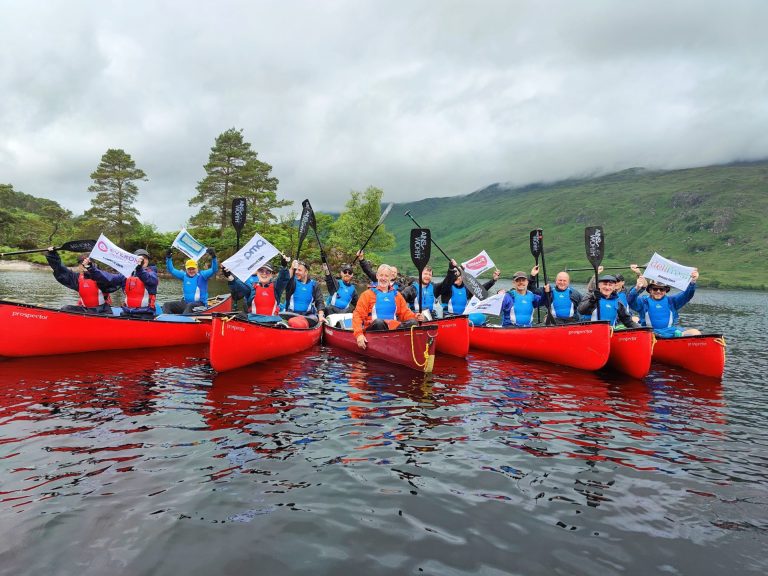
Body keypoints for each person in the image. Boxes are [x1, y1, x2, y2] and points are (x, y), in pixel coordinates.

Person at [353, 264, 425, 349]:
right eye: (381, 275)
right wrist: (359, 335)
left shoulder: (397, 295)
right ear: (377, 276)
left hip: (393, 330)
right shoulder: (367, 295)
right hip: (374, 328)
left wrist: (416, 316)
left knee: (413, 322)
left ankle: (401, 347)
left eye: (386, 276)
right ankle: (384, 348)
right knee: (379, 322)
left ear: (391, 277)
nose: (383, 278)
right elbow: (357, 315)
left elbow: (405, 313)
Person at [627, 270, 701, 337]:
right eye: (655, 289)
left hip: (670, 332)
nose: (658, 291)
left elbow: (687, 295)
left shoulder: (672, 301)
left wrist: (692, 281)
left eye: (661, 289)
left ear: (665, 291)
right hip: (650, 334)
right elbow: (630, 301)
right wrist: (637, 288)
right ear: (650, 290)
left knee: (695, 332)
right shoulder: (644, 302)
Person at [87, 248, 159, 316]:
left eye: (145, 258)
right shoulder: (127, 274)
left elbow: (150, 280)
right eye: (140, 258)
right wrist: (91, 268)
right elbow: (108, 277)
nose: (143, 260)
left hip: (145, 313)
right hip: (128, 311)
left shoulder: (152, 273)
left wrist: (139, 269)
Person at [44, 249, 116, 314]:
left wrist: (91, 271)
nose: (82, 266)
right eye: (81, 264)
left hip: (102, 311)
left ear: (94, 264)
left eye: (86, 264)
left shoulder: (102, 276)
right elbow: (61, 271)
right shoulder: (77, 278)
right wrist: (52, 255)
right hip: (86, 310)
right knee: (66, 308)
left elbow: (112, 285)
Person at [222, 261, 290, 322]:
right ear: (257, 272)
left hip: (272, 323)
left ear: (272, 274)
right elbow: (238, 285)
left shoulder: (276, 288)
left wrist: (284, 267)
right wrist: (229, 276)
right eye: (261, 271)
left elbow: (283, 279)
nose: (264, 274)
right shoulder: (251, 288)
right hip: (253, 322)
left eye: (268, 272)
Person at [162, 248, 218, 314]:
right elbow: (171, 270)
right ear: (186, 269)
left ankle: (183, 322)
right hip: (185, 303)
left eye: (193, 268)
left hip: (200, 304)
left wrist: (213, 257)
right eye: (189, 269)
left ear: (197, 268)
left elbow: (214, 270)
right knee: (166, 305)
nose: (191, 271)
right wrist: (169, 258)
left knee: (190, 305)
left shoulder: (203, 275)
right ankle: (166, 320)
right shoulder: (184, 276)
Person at [284, 259, 326, 325]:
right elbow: (285, 279)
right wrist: (292, 268)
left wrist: (321, 315)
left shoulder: (314, 285)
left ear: (306, 272)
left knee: (314, 319)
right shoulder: (292, 282)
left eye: (299, 270)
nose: (296, 272)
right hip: (291, 314)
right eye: (296, 269)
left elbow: (319, 301)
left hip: (307, 315)